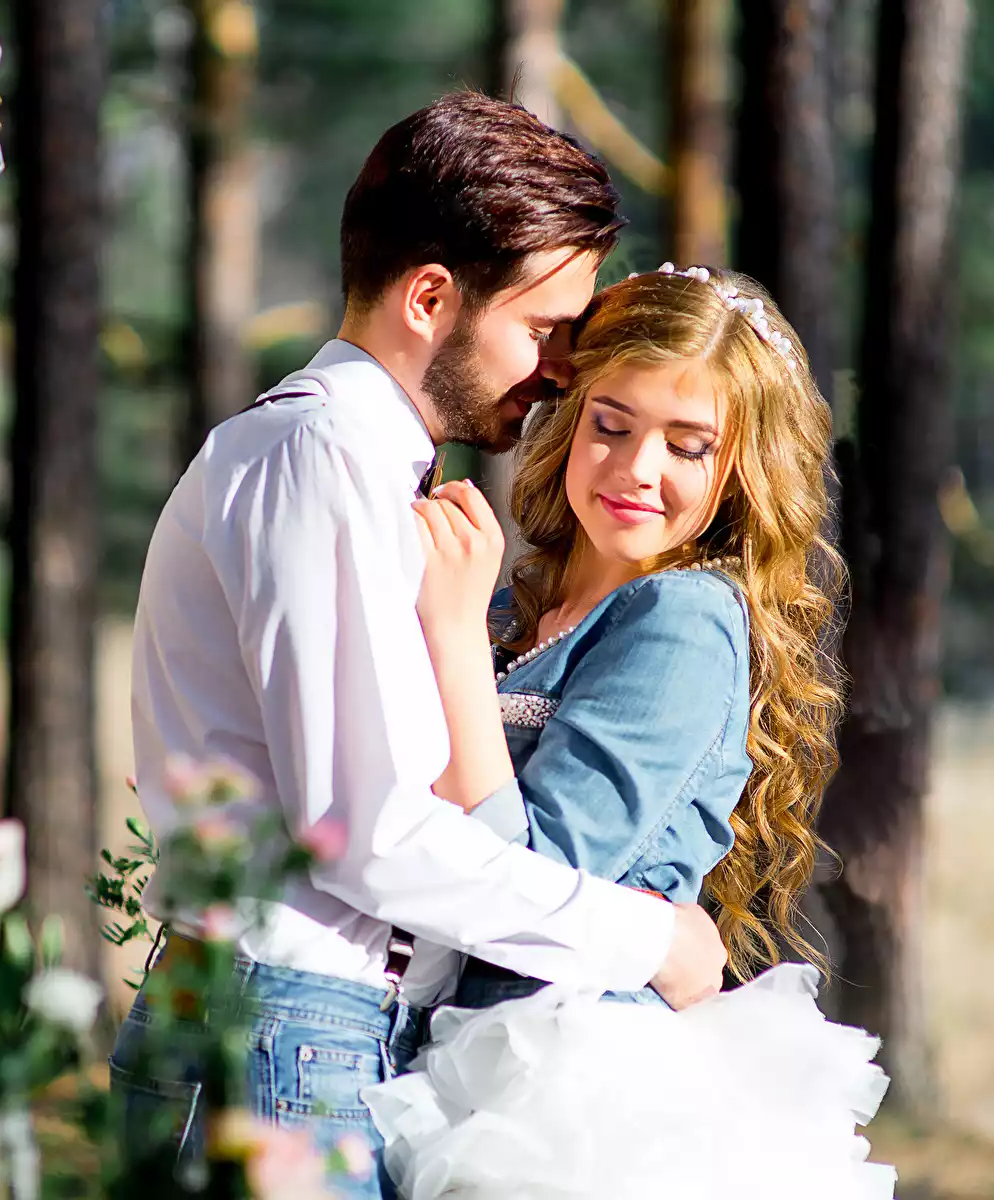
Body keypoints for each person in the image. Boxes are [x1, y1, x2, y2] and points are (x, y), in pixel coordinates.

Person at [111, 93, 728, 1197]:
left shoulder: (354, 464)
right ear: (432, 298)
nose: (559, 369)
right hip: (282, 1025)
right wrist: (648, 941)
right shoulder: (318, 454)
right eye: (541, 331)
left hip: (301, 1026)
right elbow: (368, 831)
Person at [364, 264, 895, 1198]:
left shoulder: (682, 619)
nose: (637, 469)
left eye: (689, 446)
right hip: (459, 1046)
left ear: (740, 471)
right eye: (611, 425)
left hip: (568, 1093)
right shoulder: (516, 615)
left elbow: (534, 878)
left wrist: (447, 633)